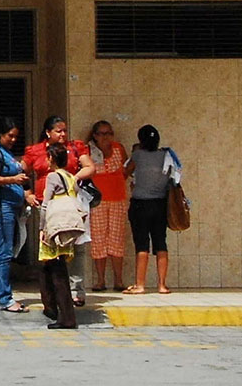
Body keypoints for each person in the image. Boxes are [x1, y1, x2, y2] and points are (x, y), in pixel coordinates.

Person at [23, 115, 95, 306]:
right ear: (48, 132)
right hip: (47, 205)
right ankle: (56, 291)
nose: (63, 134)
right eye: (58, 131)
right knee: (51, 248)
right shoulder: (35, 151)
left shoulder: (75, 147)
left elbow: (89, 167)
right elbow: (22, 173)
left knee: (77, 245)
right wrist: (27, 194)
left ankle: (76, 290)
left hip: (71, 204)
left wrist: (71, 179)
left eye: (64, 130)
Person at [0, 116, 30, 313]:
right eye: (10, 136)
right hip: (1, 208)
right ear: (0, 134)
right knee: (4, 252)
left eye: (16, 136)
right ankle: (5, 298)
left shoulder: (6, 153)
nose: (13, 140)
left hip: (10, 206)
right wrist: (13, 179)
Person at [123, 124, 172, 295]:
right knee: (161, 243)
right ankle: (162, 285)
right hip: (160, 204)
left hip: (140, 204)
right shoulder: (167, 155)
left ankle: (140, 285)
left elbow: (125, 172)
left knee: (142, 244)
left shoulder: (137, 155)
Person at [38, 143, 79, 329]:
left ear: (52, 159)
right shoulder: (70, 177)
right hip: (66, 228)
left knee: (57, 271)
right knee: (52, 267)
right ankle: (51, 307)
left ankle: (65, 316)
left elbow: (46, 204)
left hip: (54, 228)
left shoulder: (53, 177)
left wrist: (42, 228)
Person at [87, 120, 129, 292]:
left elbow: (126, 168)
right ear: (95, 136)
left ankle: (119, 280)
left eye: (109, 133)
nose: (106, 137)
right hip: (98, 201)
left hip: (118, 199)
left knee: (116, 239)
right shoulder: (89, 151)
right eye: (102, 134)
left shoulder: (119, 149)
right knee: (98, 239)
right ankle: (100, 280)